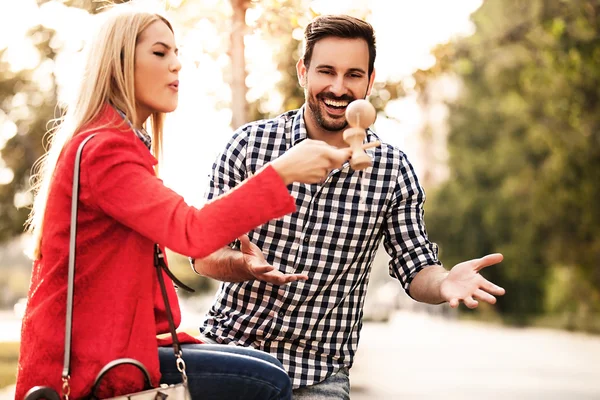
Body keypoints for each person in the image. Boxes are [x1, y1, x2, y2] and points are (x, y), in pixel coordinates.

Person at [14, 6, 352, 400]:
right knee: (269, 382)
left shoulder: (114, 143)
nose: (176, 65)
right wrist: (282, 173)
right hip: (95, 365)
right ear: (117, 62)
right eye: (160, 53)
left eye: (176, 52)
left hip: (116, 348)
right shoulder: (105, 150)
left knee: (268, 369)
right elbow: (190, 232)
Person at [192, 14, 507, 399]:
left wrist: (444, 282)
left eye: (353, 75)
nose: (338, 88)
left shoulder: (392, 170)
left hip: (317, 376)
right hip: (230, 355)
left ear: (370, 81)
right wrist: (242, 265)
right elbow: (202, 253)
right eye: (326, 71)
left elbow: (416, 267)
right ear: (302, 71)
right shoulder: (248, 146)